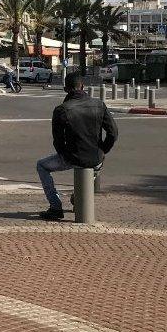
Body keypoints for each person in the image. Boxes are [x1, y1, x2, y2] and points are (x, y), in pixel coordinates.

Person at [36, 72, 118, 221]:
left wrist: (66, 156)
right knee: (96, 164)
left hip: (72, 157)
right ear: (83, 86)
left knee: (42, 166)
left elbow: (58, 141)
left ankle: (55, 207)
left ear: (66, 89)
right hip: (95, 157)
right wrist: (103, 150)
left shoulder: (61, 110)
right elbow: (113, 133)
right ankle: (79, 197)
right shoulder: (99, 104)